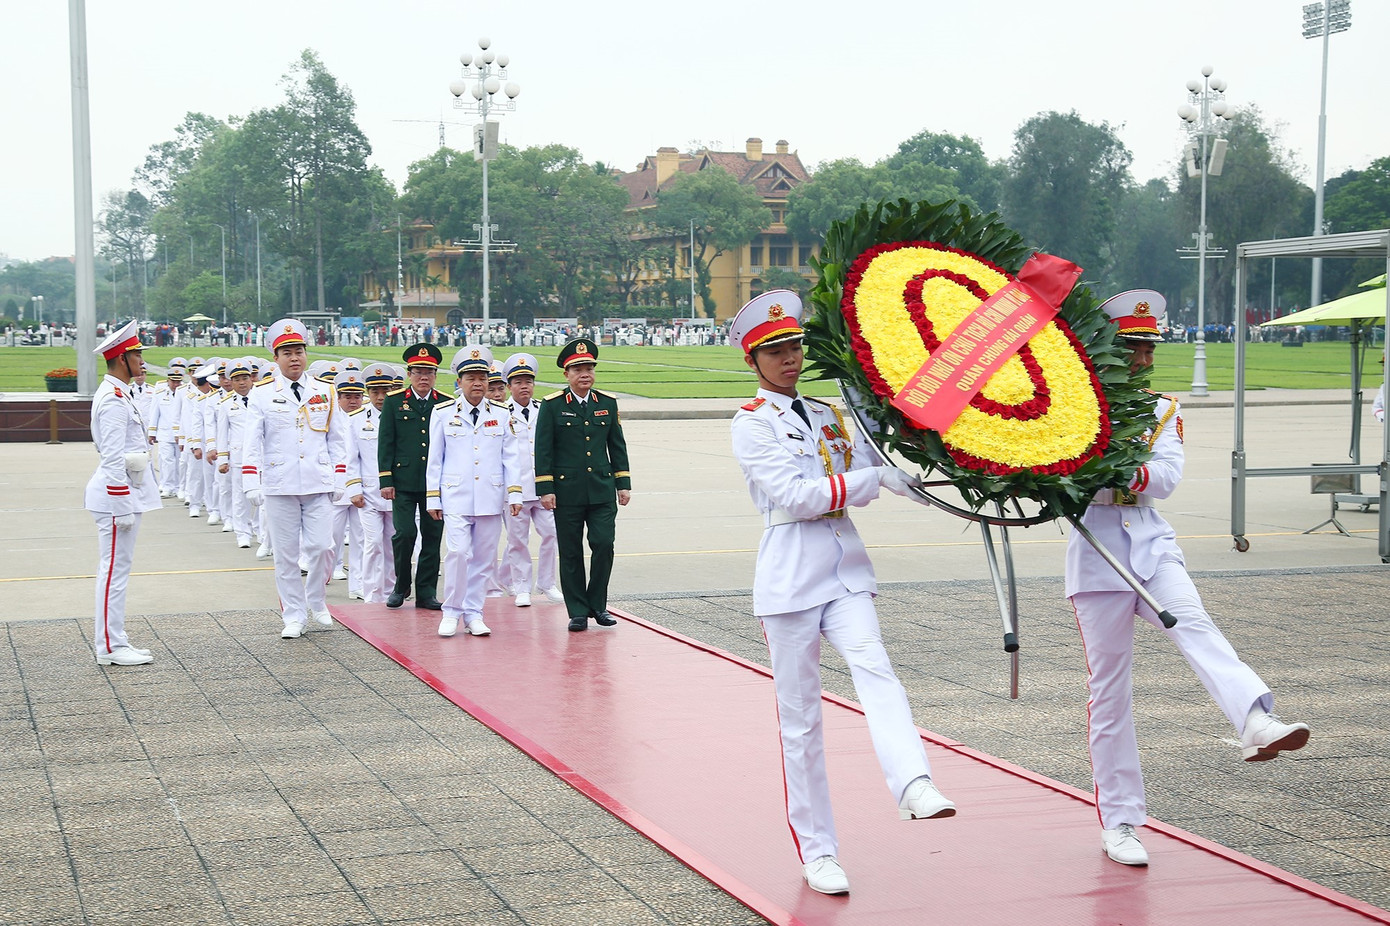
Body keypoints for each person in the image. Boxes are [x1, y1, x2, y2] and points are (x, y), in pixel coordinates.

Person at [1067, 290, 1310, 868]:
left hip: (1151, 544)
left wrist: (1105, 467)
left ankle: (1254, 719)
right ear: (1106, 348)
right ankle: (1120, 820)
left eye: (1149, 347)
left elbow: (1164, 480)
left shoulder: (1163, 412)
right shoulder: (1073, 408)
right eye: (1132, 347)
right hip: (1098, 554)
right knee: (1109, 695)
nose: (1144, 359)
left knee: (1197, 626)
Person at [727, 290, 955, 896]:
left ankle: (913, 782)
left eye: (795, 346)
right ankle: (819, 851)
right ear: (753, 359)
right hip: (790, 577)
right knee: (800, 724)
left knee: (876, 669)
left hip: (845, 566)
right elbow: (796, 496)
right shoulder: (750, 423)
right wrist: (871, 479)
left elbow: (867, 462)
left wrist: (906, 454)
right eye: (774, 350)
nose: (789, 358)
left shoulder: (828, 414)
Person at [241, 319, 349, 639]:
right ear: (276, 358)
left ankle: (315, 598)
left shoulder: (325, 391)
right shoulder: (262, 394)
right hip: (279, 483)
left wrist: (340, 478)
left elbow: (338, 440)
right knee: (286, 555)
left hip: (318, 482)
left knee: (321, 547)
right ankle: (294, 614)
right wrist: (251, 480)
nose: (294, 358)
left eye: (299, 351)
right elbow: (252, 441)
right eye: (287, 352)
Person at [426, 346, 524, 637]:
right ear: (459, 380)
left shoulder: (502, 413)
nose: (478, 383)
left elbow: (511, 456)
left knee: (484, 559)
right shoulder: (443, 413)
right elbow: (435, 458)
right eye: (471, 377)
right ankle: (452, 611)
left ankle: (473, 612)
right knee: (457, 553)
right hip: (455, 495)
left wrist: (515, 494)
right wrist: (433, 495)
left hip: (490, 496)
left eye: (482, 376)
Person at [534, 338, 631, 632]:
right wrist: (545, 488)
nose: (584, 374)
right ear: (566, 374)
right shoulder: (552, 406)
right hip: (567, 491)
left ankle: (598, 605)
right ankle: (577, 610)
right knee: (571, 551)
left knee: (603, 544)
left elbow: (617, 446)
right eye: (578, 369)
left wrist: (623, 483)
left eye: (589, 368)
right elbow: (543, 449)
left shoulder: (607, 403)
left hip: (601, 489)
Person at [86, 320, 160, 666]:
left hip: (123, 493)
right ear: (121, 359)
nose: (142, 361)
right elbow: (113, 456)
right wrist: (122, 506)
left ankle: (116, 639)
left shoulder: (120, 393)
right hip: (116, 497)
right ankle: (109, 647)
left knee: (118, 570)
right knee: (113, 571)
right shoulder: (114, 400)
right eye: (137, 355)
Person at [378, 344, 454, 610]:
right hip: (404, 481)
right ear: (409, 373)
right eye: (418, 372)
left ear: (435, 375)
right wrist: (386, 480)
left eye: (429, 372)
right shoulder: (395, 401)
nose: (424, 377)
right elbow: (386, 441)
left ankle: (426, 592)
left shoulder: (444, 403)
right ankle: (401, 587)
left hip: (435, 485)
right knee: (405, 533)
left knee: (432, 537)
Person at [502, 352, 563, 607]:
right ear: (509, 386)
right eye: (518, 382)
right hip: (515, 489)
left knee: (552, 533)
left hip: (542, 486)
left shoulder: (543, 410)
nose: (524, 386)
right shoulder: (501, 412)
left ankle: (547, 582)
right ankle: (521, 585)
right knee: (517, 540)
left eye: (528, 381)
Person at [347, 363, 397, 603]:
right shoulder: (356, 420)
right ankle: (371, 593)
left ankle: (389, 591)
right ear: (367, 392)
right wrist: (354, 488)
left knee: (392, 545)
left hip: (396, 494)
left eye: (385, 391)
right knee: (373, 543)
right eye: (375, 392)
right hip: (368, 494)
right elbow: (351, 457)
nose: (380, 397)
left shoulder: (401, 415)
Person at [330, 367, 367, 600]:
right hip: (335, 485)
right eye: (348, 396)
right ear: (339, 397)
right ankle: (326, 571)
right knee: (330, 537)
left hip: (359, 487)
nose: (353, 401)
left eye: (357, 396)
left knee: (361, 538)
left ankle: (358, 584)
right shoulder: (330, 417)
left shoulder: (368, 418)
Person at [215, 357, 256, 548]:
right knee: (240, 497)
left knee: (264, 498)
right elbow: (222, 434)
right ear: (231, 382)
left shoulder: (261, 399)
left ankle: (261, 532)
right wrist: (222, 459)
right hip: (239, 456)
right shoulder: (225, 404)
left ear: (251, 379)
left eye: (245, 378)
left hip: (262, 456)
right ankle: (242, 533)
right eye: (237, 379)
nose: (241, 383)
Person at [147, 357, 186, 497]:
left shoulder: (185, 394)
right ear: (168, 381)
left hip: (181, 434)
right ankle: (167, 485)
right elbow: (154, 413)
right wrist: (152, 431)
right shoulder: (160, 393)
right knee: (166, 460)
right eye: (173, 381)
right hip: (164, 432)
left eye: (178, 381)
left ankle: (180, 487)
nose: (175, 384)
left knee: (180, 462)